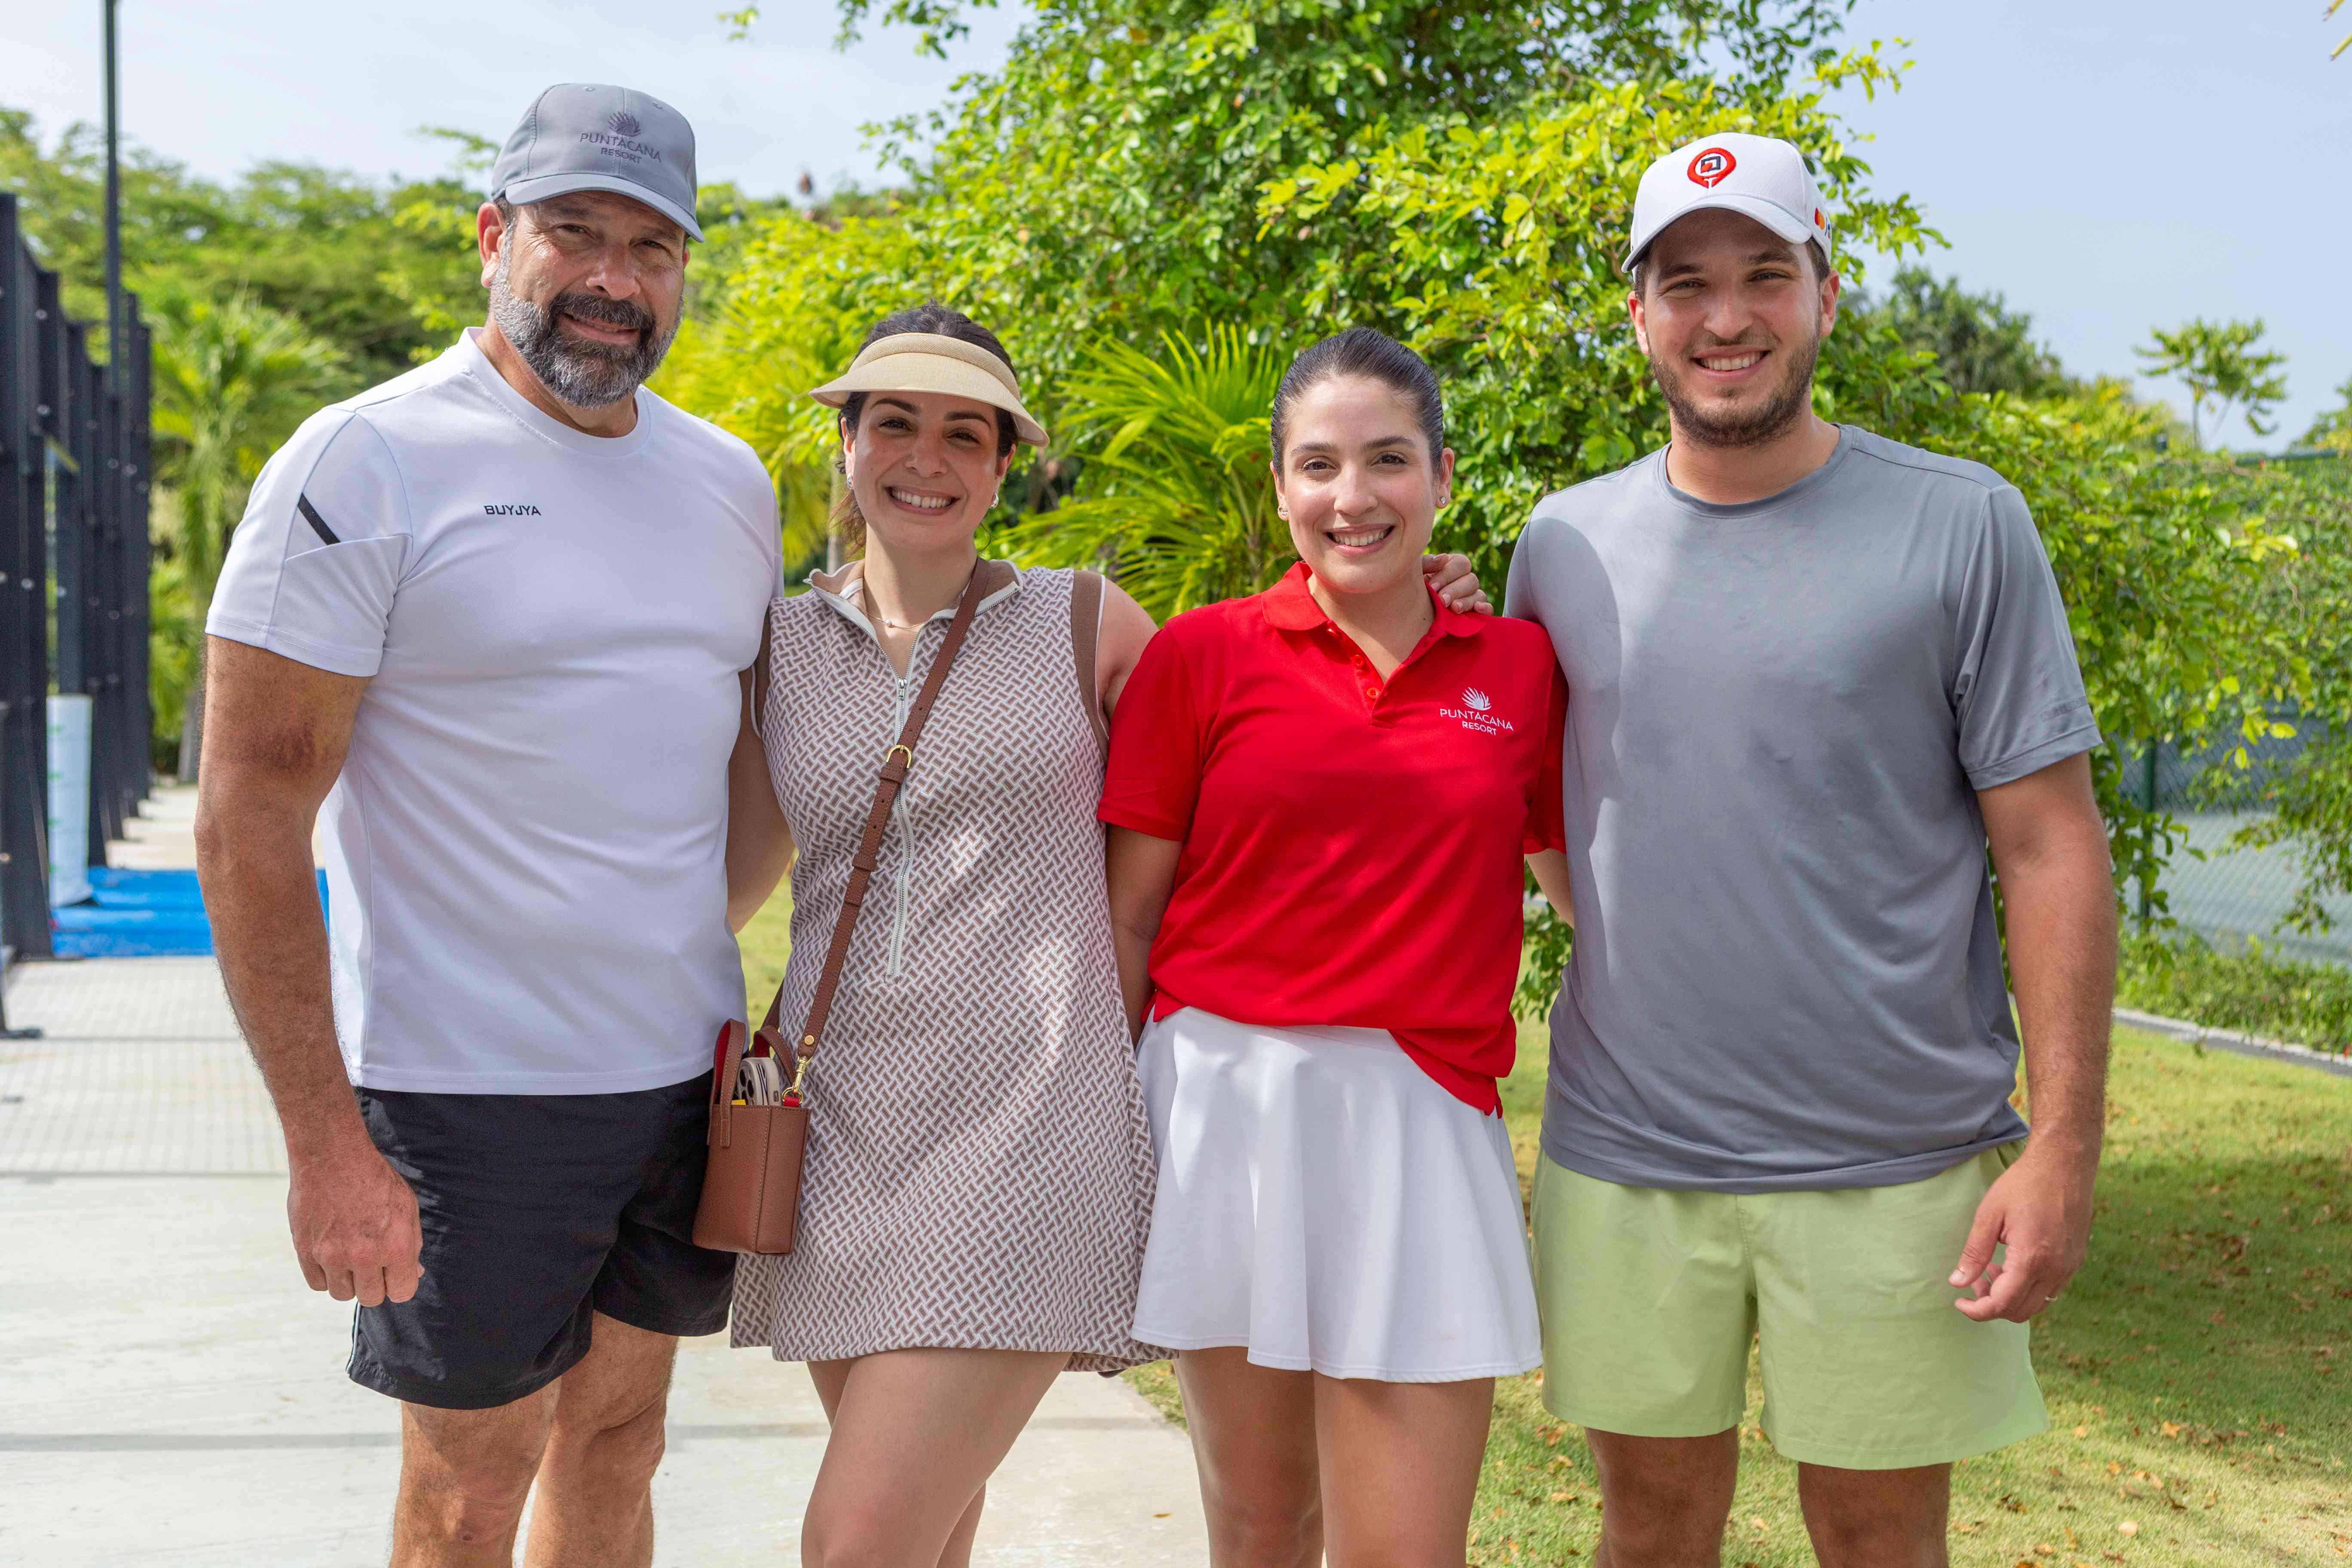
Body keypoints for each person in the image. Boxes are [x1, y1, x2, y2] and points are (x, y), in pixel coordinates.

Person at [720, 306, 1494, 1568]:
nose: (927, 458)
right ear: (846, 443)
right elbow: (738, 883)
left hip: (1026, 1134)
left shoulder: (1086, 624)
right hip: (841, 1134)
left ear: (1005, 463)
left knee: (855, 1545)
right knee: (924, 1535)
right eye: (896, 423)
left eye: (964, 434)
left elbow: (1285, 713)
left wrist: (1416, 592)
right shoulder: (778, 652)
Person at [1503, 132, 2118, 1567]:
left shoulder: (1964, 524)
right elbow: (1541, 806)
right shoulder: (1563, 543)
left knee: (1877, 1534)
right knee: (1650, 1527)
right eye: (1688, 283)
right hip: (1627, 1154)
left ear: (1827, 296)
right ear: (1639, 314)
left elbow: (2047, 844)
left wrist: (2067, 1145)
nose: (1728, 317)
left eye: (1765, 275)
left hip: (1896, 1159)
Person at [194, 85, 769, 1568]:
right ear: (491, 234)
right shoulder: (362, 463)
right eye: (574, 232)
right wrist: (327, 1145)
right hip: (463, 1093)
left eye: (652, 248)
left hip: (679, 1080)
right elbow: (251, 815)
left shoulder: (729, 482)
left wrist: (694, 946)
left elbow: (739, 771)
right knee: (469, 1489)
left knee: (625, 1444)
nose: (612, 278)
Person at [1099, 327, 1568, 1568]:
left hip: (1422, 1117)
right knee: (1259, 1529)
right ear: (1280, 486)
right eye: (1319, 466)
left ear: (1444, 478)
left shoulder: (1520, 667)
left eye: (1388, 462)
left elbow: (1584, 891)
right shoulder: (1199, 657)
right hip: (1227, 1113)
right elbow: (1129, 921)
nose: (1352, 498)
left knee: (1407, 1551)